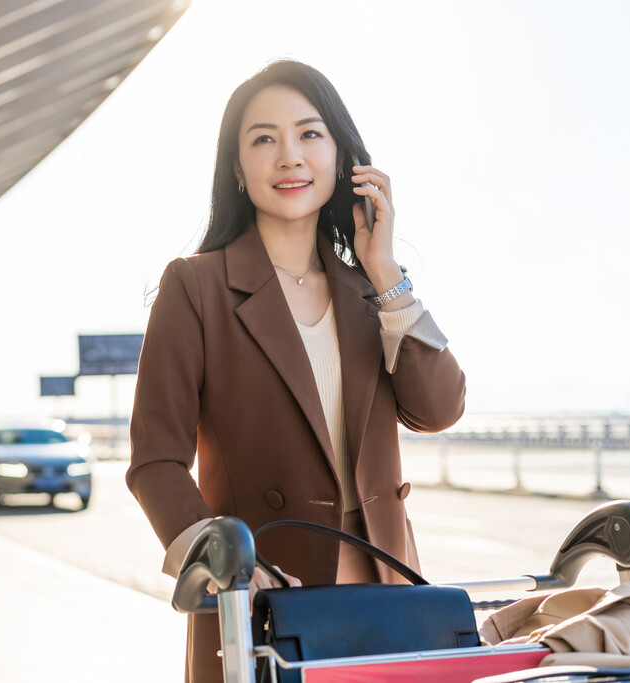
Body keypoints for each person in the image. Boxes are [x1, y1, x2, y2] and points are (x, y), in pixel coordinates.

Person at [125, 59, 467, 682]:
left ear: (341, 157)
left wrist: (387, 272)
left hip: (390, 603)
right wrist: (221, 560)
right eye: (263, 139)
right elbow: (155, 462)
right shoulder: (196, 286)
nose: (289, 156)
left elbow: (439, 408)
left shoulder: (372, 294)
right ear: (236, 167)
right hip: (262, 608)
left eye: (310, 134)